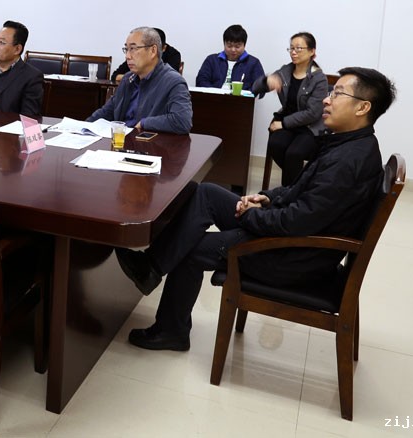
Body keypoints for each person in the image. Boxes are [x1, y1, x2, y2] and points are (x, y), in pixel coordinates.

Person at [115, 67, 396, 352]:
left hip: (292, 255)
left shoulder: (348, 161)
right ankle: (151, 266)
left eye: (337, 94)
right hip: (295, 239)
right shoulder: (349, 144)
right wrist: (265, 198)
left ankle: (171, 331)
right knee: (206, 193)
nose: (327, 99)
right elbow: (300, 191)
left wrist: (253, 216)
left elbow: (298, 221)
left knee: (192, 248)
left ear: (363, 107)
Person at [251, 32, 328, 186]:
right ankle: (298, 185)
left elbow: (313, 113)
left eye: (299, 48)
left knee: (294, 153)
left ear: (312, 51)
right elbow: (255, 88)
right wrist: (267, 81)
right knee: (276, 145)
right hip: (288, 122)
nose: (293, 52)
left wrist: (283, 124)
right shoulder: (285, 71)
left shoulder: (319, 79)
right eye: (291, 48)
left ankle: (289, 191)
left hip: (309, 127)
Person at [86, 27, 192, 134]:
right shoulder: (128, 79)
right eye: (126, 49)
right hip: (121, 140)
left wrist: (144, 123)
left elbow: (182, 121)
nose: (127, 56)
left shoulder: (173, 82)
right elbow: (108, 111)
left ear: (153, 51)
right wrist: (85, 126)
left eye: (133, 49)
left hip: (147, 142)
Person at [194, 24, 265, 89]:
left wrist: (246, 94)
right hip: (213, 97)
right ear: (224, 44)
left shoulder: (253, 63)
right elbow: (201, 81)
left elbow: (260, 87)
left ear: (244, 45)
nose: (233, 50)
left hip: (240, 98)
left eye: (237, 46)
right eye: (229, 46)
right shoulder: (212, 60)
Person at [111, 27, 182, 83]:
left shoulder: (173, 55)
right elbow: (115, 76)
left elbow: (169, 78)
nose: (127, 56)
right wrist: (134, 78)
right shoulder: (135, 60)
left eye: (133, 48)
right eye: (128, 49)